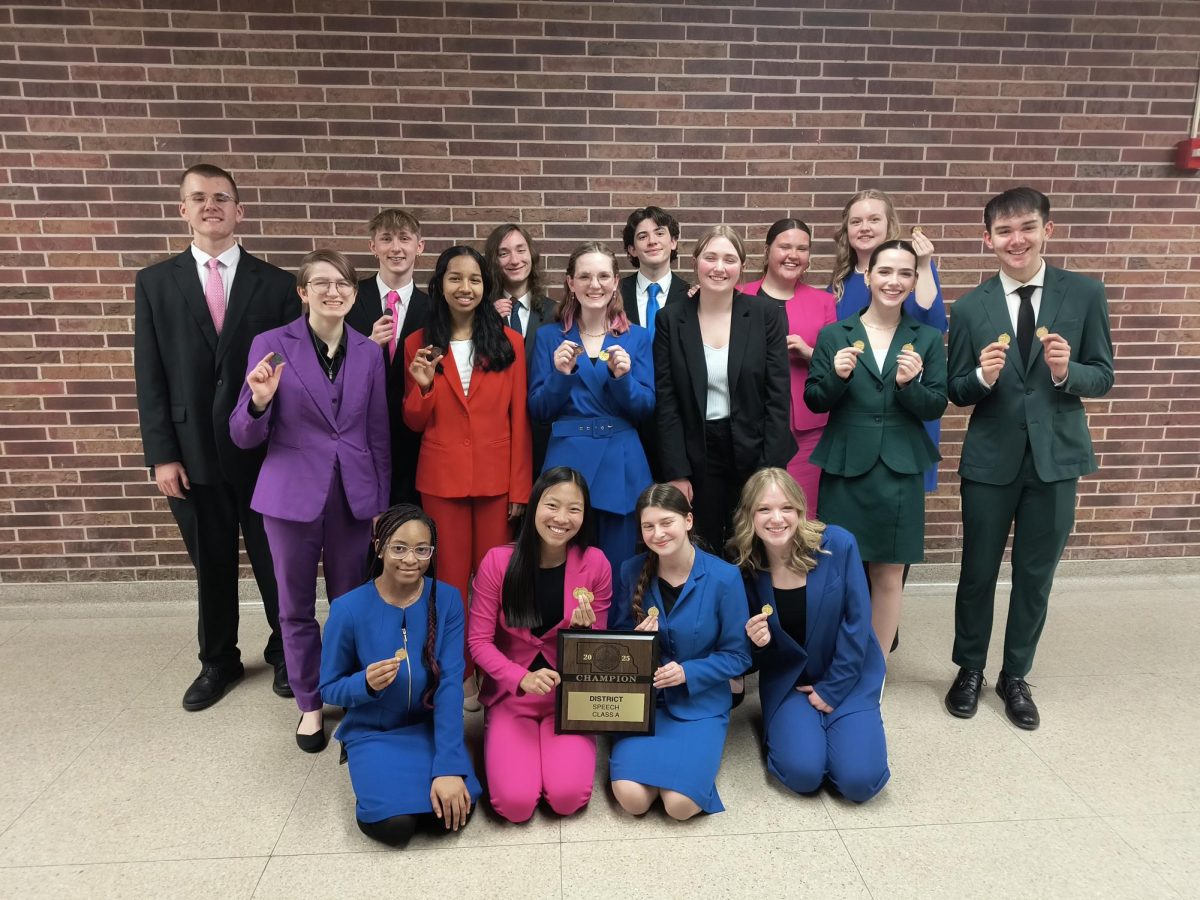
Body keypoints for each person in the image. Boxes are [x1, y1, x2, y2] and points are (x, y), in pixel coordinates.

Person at [943, 187, 1114, 731]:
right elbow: (955, 388)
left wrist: (1068, 372)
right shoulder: (971, 306)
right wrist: (981, 377)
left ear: (1048, 229)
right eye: (1004, 231)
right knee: (976, 573)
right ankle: (970, 667)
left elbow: (1103, 374)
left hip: (1056, 461)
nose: (1016, 240)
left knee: (1035, 575)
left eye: (1027, 228)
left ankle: (1016, 674)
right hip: (990, 459)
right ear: (987, 238)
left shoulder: (1084, 294)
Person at [134, 163, 298, 711]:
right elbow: (149, 374)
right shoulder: (156, 283)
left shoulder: (274, 284)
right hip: (192, 452)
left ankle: (285, 650)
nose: (211, 206)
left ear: (239, 211)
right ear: (182, 209)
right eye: (198, 198)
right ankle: (219, 659)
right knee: (213, 559)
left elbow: (289, 373)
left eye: (222, 198)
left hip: (261, 451)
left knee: (275, 557)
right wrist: (161, 455)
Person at [229, 249, 390, 751]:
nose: (332, 291)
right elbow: (242, 434)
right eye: (319, 283)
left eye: (341, 283)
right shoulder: (271, 345)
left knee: (348, 604)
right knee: (295, 606)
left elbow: (377, 432)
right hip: (291, 496)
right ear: (303, 293)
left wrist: (380, 501)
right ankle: (309, 704)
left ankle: (346, 690)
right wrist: (258, 400)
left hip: (352, 496)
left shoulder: (367, 351)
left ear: (353, 292)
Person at [804, 240, 947, 657]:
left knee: (888, 572)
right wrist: (837, 376)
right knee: (838, 568)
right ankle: (837, 657)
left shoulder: (928, 338)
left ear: (914, 280)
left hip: (899, 467)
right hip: (846, 465)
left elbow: (936, 404)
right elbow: (816, 399)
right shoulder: (835, 335)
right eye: (885, 271)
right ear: (868, 276)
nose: (894, 281)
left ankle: (876, 668)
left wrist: (910, 386)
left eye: (905, 273)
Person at [403, 245, 532, 708]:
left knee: (495, 579)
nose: (465, 288)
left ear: (486, 286)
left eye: (475, 279)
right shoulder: (418, 342)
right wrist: (421, 388)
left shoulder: (509, 343)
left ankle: (494, 668)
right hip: (442, 481)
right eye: (455, 278)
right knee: (452, 582)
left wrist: (521, 488)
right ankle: (456, 670)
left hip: (498, 483)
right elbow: (414, 422)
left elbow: (520, 420)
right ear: (439, 285)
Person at [320, 504, 481, 847]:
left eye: (422, 550)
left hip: (429, 727)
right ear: (379, 547)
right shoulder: (347, 608)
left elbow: (452, 683)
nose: (411, 559)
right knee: (394, 827)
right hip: (372, 732)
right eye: (399, 548)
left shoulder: (448, 600)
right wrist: (364, 683)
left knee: (448, 817)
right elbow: (329, 688)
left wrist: (449, 765)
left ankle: (435, 771)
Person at [732, 468, 889, 803]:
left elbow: (857, 623)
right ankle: (797, 730)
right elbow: (747, 656)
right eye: (764, 509)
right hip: (790, 683)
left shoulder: (838, 545)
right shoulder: (745, 567)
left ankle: (843, 731)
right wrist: (755, 643)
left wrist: (833, 689)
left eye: (787, 508)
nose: (777, 518)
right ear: (749, 516)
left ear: (800, 511)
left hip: (847, 677)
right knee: (803, 774)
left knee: (859, 781)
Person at [467, 468, 612, 823]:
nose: (562, 518)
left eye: (574, 509)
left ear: (584, 515)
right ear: (534, 506)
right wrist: (520, 678)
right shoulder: (498, 562)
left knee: (567, 798)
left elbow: (600, 655)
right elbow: (478, 642)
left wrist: (587, 632)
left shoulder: (595, 563)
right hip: (512, 696)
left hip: (568, 700)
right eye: (552, 505)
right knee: (514, 805)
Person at [608, 484, 752, 819]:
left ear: (688, 520)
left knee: (680, 806)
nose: (657, 534)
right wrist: (637, 644)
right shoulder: (631, 571)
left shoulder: (724, 578)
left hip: (700, 703)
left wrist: (690, 672)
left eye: (666, 522)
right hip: (644, 705)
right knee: (632, 800)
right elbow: (615, 639)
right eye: (648, 526)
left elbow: (739, 656)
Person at [654, 225, 794, 554]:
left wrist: (770, 470)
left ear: (741, 266)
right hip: (696, 452)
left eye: (729, 259)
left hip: (753, 449)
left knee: (751, 546)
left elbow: (778, 396)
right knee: (701, 545)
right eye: (711, 257)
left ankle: (753, 608)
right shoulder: (671, 319)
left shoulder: (764, 316)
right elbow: (667, 401)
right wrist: (677, 472)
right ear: (694, 262)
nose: (719, 267)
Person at [528, 242, 655, 576]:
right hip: (567, 460)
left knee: (620, 565)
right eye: (584, 276)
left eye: (602, 276)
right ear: (570, 283)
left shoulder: (637, 338)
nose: (594, 285)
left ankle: (617, 629)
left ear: (616, 281)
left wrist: (624, 379)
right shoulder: (549, 337)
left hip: (622, 463)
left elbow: (645, 408)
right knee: (561, 563)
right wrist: (560, 375)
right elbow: (539, 410)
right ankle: (566, 629)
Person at [830, 189, 947, 493]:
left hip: (904, 403)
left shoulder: (914, 270)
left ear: (889, 223)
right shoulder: (840, 281)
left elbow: (933, 325)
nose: (864, 227)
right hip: (857, 411)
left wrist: (923, 264)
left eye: (873, 219)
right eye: (856, 221)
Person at [737, 218, 838, 514]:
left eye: (802, 249)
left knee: (800, 511)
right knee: (751, 509)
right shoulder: (738, 294)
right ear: (768, 250)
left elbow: (837, 367)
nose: (793, 255)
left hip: (806, 430)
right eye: (785, 246)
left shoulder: (823, 302)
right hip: (748, 424)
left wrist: (810, 353)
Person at [345, 208, 430, 505]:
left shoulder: (432, 308)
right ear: (373, 246)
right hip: (359, 435)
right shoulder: (349, 298)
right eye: (386, 239)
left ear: (419, 246)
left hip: (413, 442)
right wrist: (367, 347)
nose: (396, 248)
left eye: (404, 239)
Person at [619, 206, 691, 482]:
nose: (652, 241)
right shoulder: (612, 295)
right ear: (631, 250)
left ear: (673, 242)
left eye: (660, 233)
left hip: (677, 420)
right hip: (628, 413)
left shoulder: (693, 297)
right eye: (642, 236)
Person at [486, 223, 552, 477]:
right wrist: (487, 321)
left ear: (531, 256)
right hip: (495, 436)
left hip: (542, 436)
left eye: (520, 250)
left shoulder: (555, 313)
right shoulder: (480, 313)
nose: (514, 260)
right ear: (493, 261)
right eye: (504, 253)